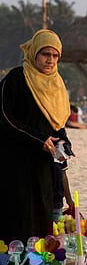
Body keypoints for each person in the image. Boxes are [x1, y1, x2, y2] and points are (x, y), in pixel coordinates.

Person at [0, 29, 71, 249]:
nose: (50, 60)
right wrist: (37, 139)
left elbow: (57, 125)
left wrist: (64, 146)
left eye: (55, 55)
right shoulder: (16, 78)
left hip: (44, 164)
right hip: (16, 161)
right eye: (45, 54)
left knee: (43, 213)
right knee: (19, 213)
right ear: (34, 54)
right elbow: (4, 116)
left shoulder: (57, 84)